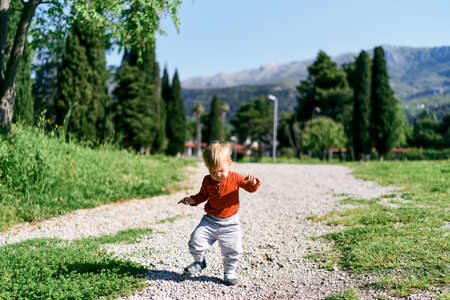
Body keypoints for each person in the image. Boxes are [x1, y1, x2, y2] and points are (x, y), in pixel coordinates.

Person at [178, 142, 261, 285]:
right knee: (195, 241)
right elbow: (202, 195)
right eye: (212, 171)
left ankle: (229, 272)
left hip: (230, 223)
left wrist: (253, 182)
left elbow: (250, 188)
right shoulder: (207, 180)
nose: (217, 175)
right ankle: (199, 262)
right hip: (210, 221)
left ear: (229, 163)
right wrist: (191, 200)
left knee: (233, 249)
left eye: (221, 170)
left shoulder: (235, 177)